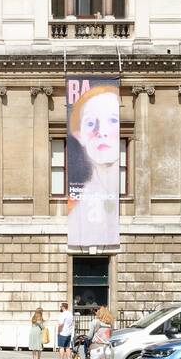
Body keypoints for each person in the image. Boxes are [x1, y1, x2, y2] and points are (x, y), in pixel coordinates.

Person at [66, 82, 121, 248]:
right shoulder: (76, 209)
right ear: (79, 134)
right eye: (90, 123)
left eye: (112, 119)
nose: (101, 131)